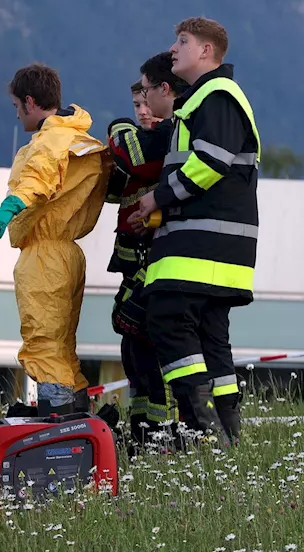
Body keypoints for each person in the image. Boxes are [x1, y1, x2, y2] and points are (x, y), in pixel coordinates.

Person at [130, 18, 260, 447]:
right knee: (210, 340)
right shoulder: (199, 102)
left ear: (206, 51)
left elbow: (212, 160)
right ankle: (227, 439)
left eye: (182, 41)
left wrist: (157, 199)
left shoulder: (217, 95)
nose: (173, 48)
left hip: (199, 249)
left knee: (168, 318)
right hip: (216, 254)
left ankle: (201, 430)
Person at [0, 62, 111, 416]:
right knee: (63, 346)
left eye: (17, 107)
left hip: (45, 253)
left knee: (43, 343)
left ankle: (56, 425)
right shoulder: (79, 138)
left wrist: (9, 207)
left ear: (30, 102)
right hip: (68, 252)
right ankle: (77, 418)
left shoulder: (50, 141)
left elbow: (39, 177)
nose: (17, 115)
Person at [104, 53, 187, 454]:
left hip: (155, 264)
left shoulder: (162, 139)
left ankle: (160, 434)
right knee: (132, 350)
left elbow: (131, 153)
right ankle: (139, 430)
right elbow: (110, 185)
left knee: (152, 349)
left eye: (146, 102)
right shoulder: (137, 142)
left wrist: (117, 130)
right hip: (131, 263)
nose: (143, 112)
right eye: (135, 106)